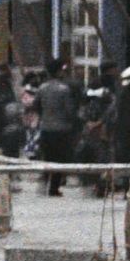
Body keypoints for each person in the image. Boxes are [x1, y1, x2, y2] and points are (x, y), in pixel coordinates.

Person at [35, 59, 81, 196]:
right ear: (58, 71)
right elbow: (69, 111)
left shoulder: (42, 88)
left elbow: (37, 106)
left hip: (45, 127)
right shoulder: (64, 89)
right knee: (59, 158)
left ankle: (43, 184)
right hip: (62, 129)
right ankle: (54, 188)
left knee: (47, 156)